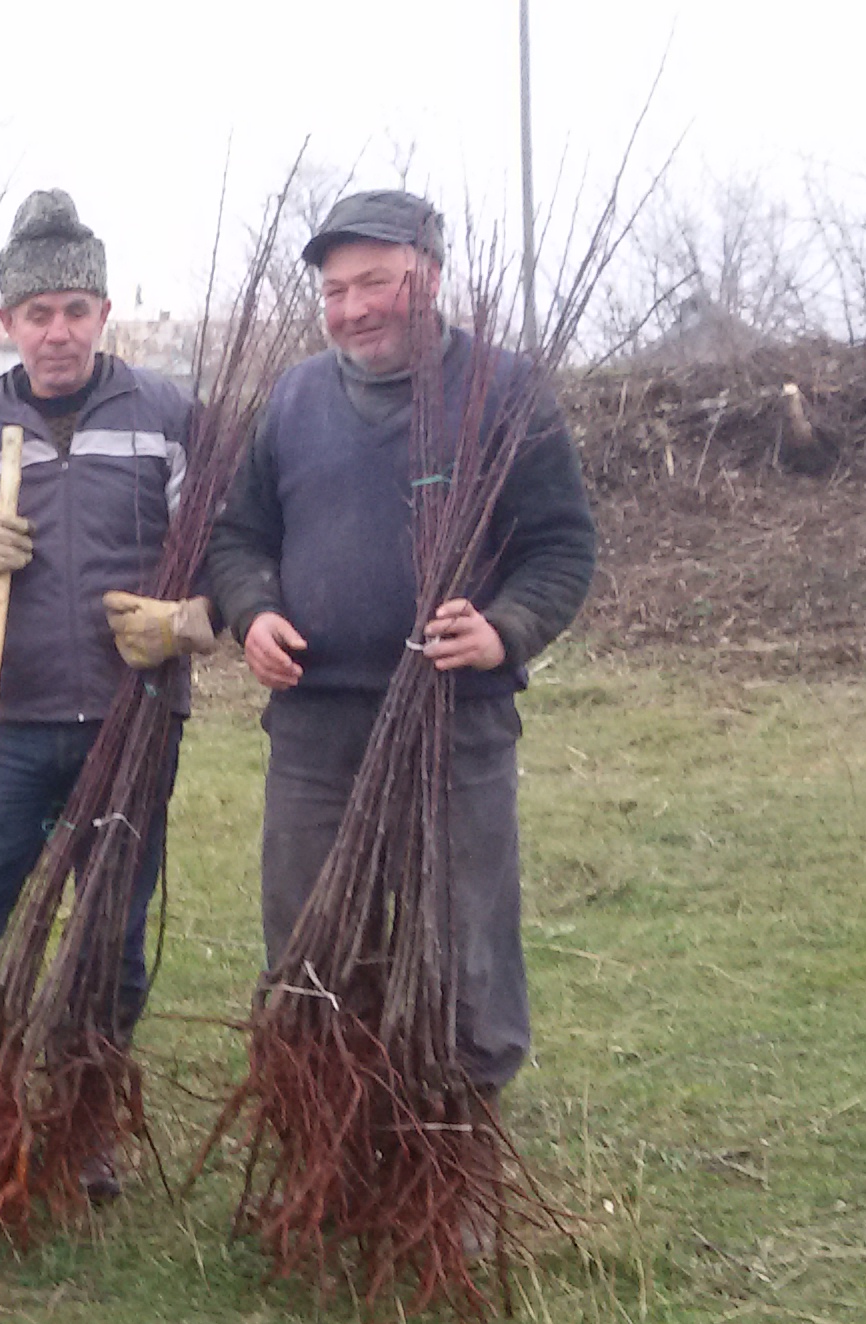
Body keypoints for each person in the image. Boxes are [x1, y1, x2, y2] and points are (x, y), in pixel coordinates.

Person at [205, 189, 598, 1091]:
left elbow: (561, 546)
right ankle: (331, 1138)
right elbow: (238, 537)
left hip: (454, 725)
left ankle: (449, 1152)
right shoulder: (295, 397)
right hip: (315, 730)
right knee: (312, 944)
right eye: (336, 291)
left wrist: (504, 630)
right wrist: (253, 611)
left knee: (460, 948)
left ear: (430, 277)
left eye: (375, 282)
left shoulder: (505, 391)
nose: (353, 308)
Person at [0, 189, 207, 1199]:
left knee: (109, 944)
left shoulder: (166, 416)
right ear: (8, 324)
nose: (58, 331)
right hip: (14, 729)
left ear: (104, 313)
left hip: (131, 723)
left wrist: (188, 621)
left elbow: (229, 560)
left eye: (76, 309)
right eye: (38, 314)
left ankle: (84, 1131)